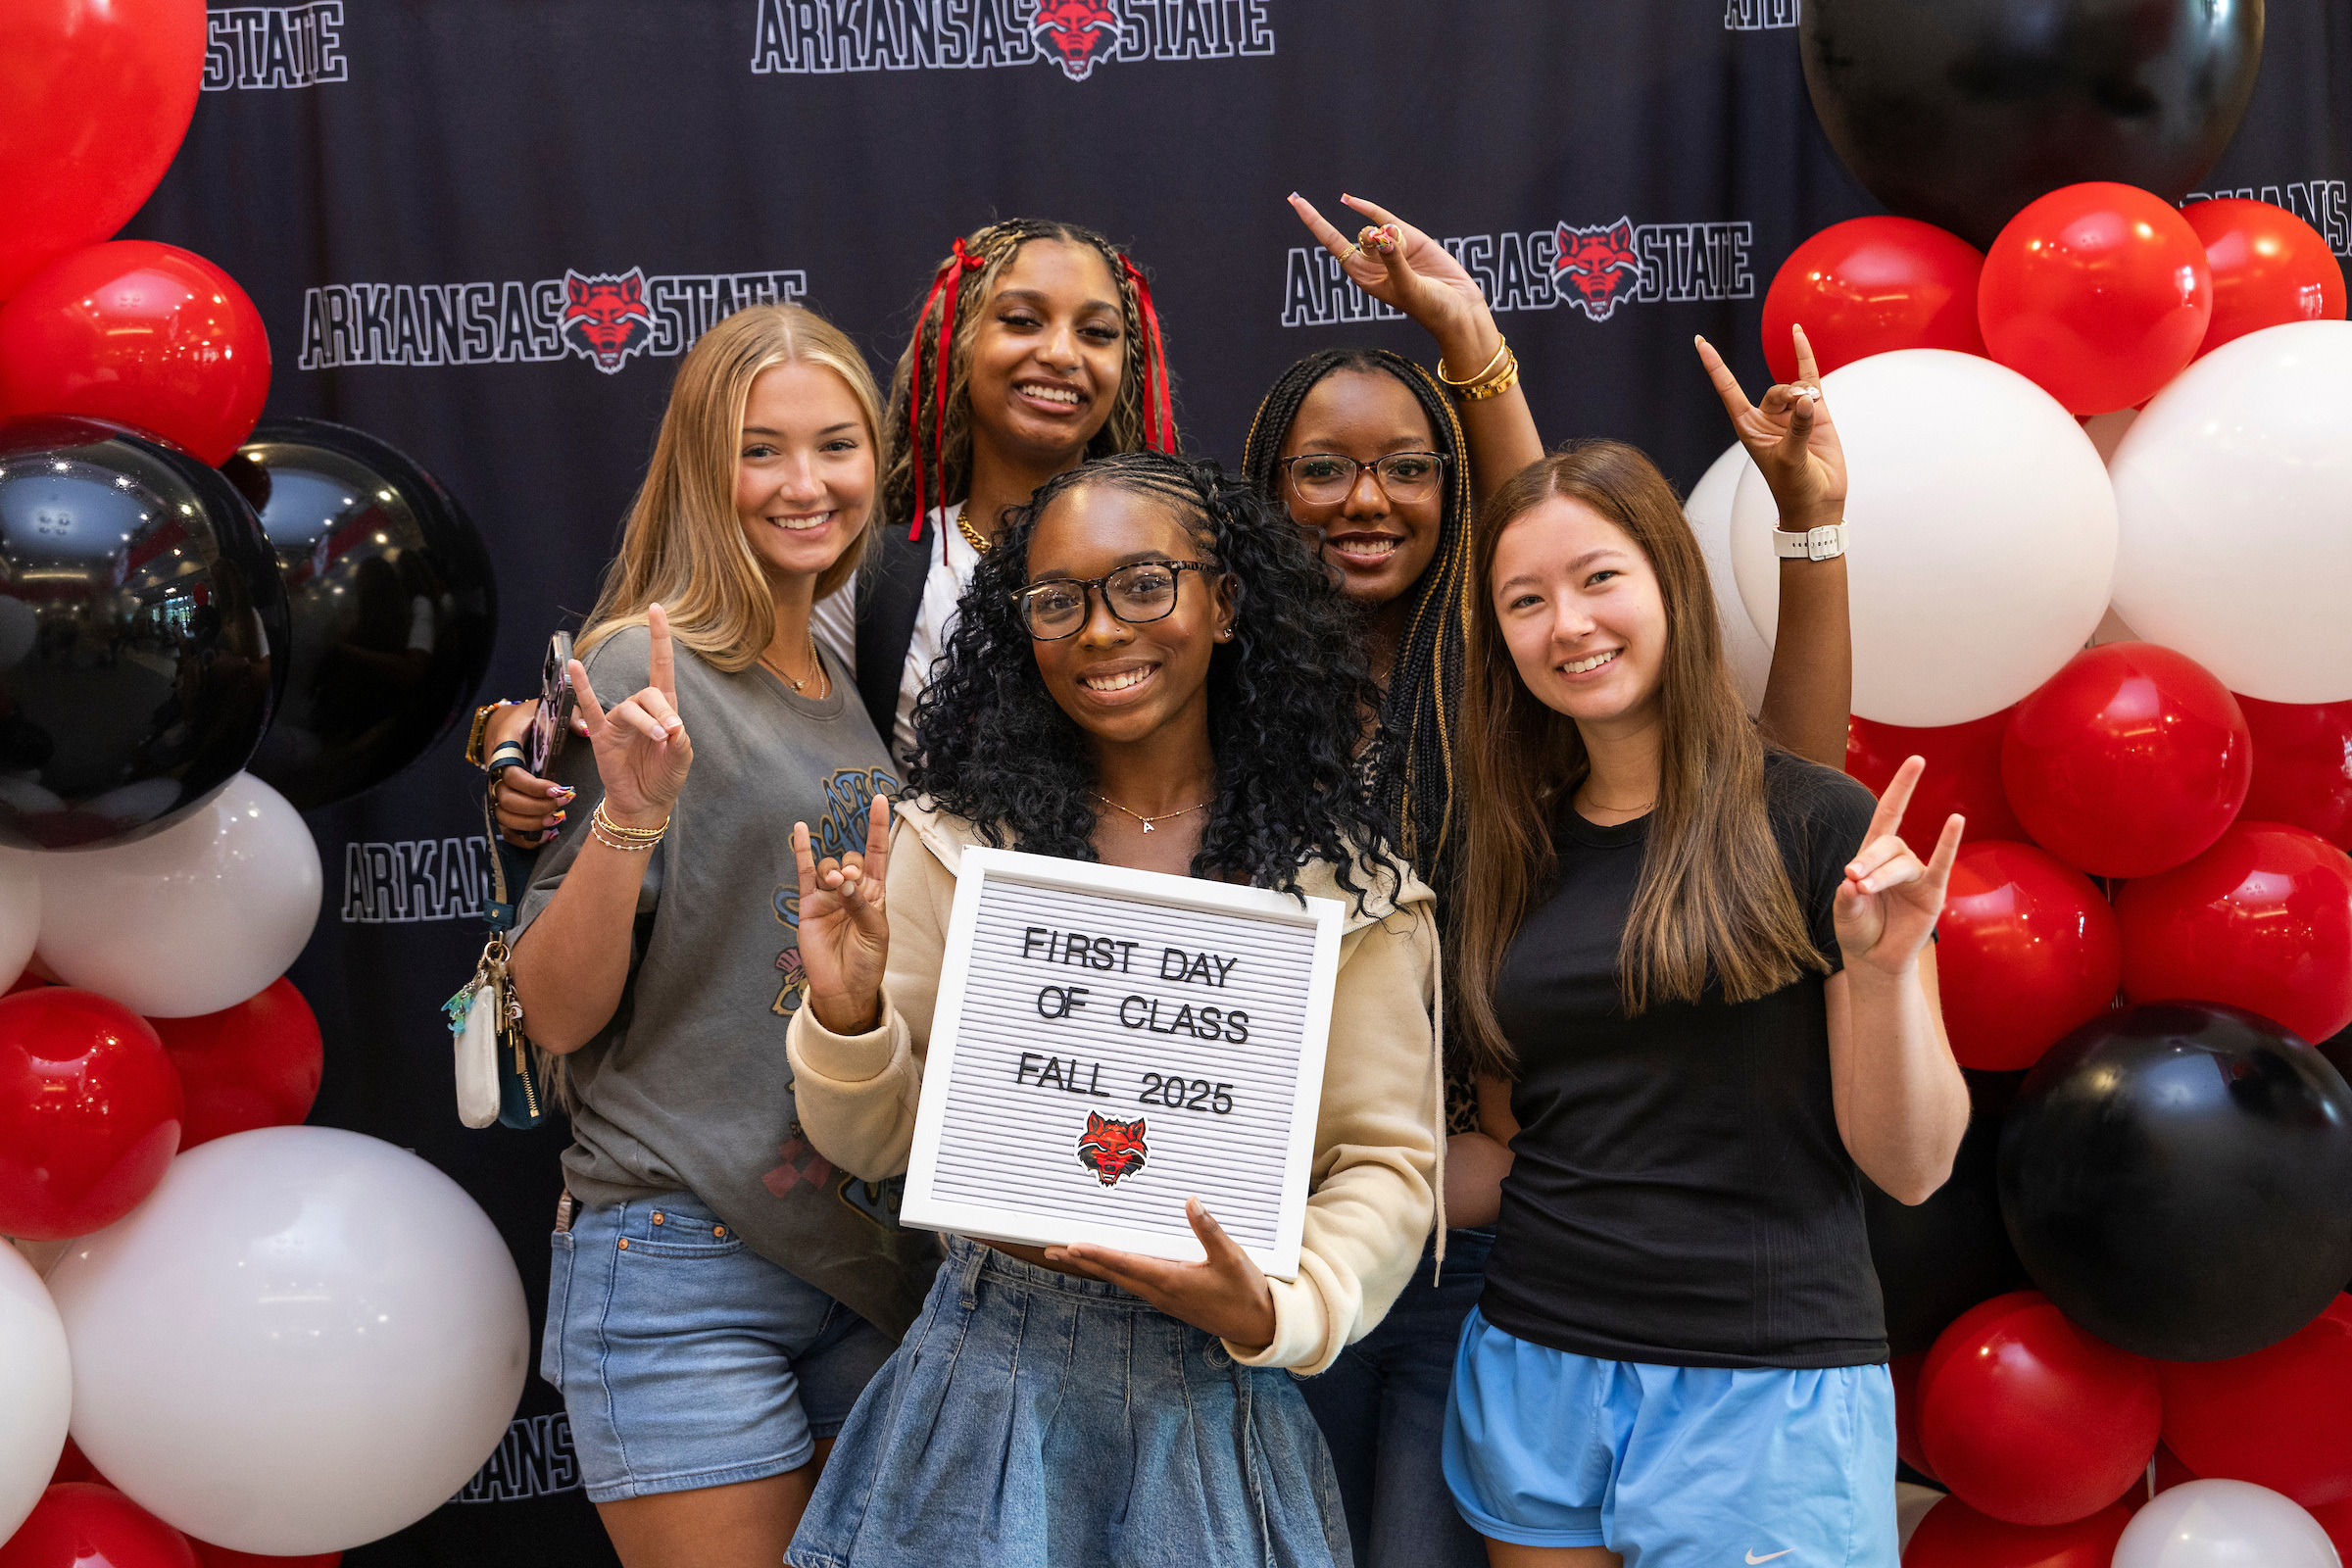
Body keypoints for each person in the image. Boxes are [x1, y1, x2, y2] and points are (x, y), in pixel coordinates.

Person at [1252, 195, 1859, 1568]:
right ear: (1266, 488)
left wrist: (1473, 340)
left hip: (1491, 1248)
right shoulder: (1229, 700)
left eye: (1408, 466)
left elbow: (1781, 789)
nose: (1365, 498)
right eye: (1322, 470)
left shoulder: (1502, 697)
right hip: (1293, 1230)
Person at [779, 451, 1443, 1568]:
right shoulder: (956, 846)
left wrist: (1279, 1305)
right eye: (1057, 601)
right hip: (986, 1374)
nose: (1099, 630)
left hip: (1213, 1391)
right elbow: (883, 1142)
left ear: (1225, 602)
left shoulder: (1342, 887)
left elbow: (1384, 1165)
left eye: (1144, 585)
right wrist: (848, 1024)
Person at [1440, 433, 1968, 1567]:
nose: (1566, 624)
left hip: (1762, 1389)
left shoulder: (1818, 821)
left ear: (1671, 579)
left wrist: (1882, 976)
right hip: (1537, 1363)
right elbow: (1507, 1149)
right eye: (1525, 600)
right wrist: (1280, 1176)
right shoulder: (1507, 854)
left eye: (1597, 579)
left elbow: (1913, 1164)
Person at [504, 303, 941, 1568]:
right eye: (762, 450)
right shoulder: (648, 660)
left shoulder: (832, 672)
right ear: (704, 464)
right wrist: (628, 820)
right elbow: (553, 1016)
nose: (806, 485)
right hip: (682, 1257)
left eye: (837, 446)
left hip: (855, 1267)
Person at [483, 218, 1177, 836]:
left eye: (1096, 332)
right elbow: (705, 669)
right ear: (956, 344)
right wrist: (515, 733)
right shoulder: (871, 577)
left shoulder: (1182, 552)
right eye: (1022, 320)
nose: (1060, 353)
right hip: (933, 952)